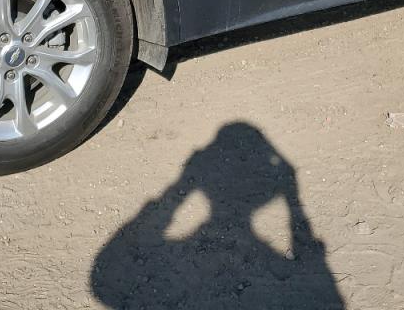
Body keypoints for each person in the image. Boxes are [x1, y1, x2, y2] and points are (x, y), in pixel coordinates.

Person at [91, 122, 344, 309]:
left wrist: (180, 187)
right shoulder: (314, 290)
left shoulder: (116, 276)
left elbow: (104, 275)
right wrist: (293, 200)